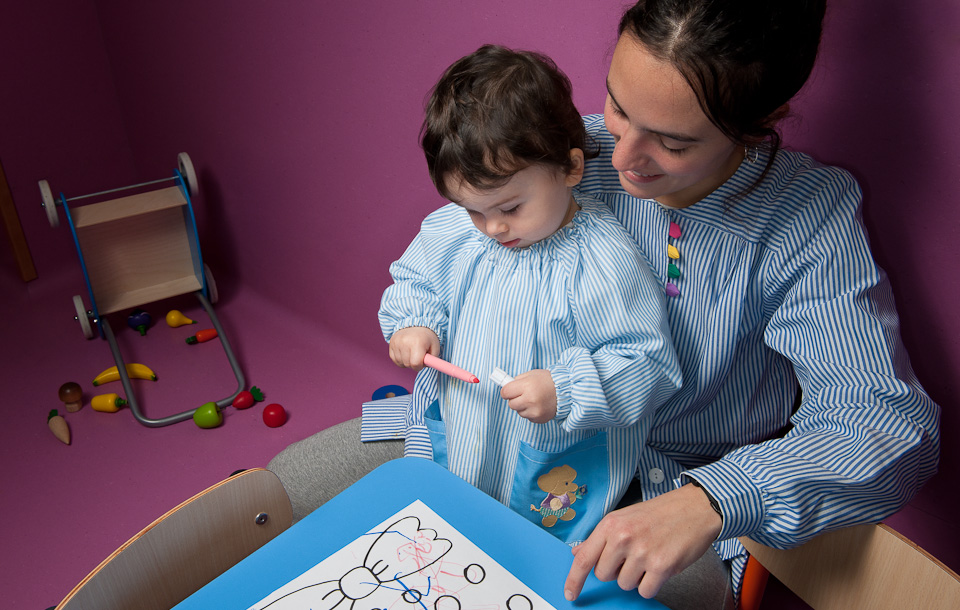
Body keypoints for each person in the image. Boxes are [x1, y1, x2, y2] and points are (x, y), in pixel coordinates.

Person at [270, 2, 941, 609]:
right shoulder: (560, 149)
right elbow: (451, 247)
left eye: (672, 143)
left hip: (655, 492)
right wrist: (419, 318)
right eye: (617, 107)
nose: (617, 158)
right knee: (277, 498)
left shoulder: (805, 218)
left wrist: (714, 498)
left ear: (758, 124)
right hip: (477, 439)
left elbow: (883, 425)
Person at [379, 44, 681, 546]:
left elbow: (647, 363)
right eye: (474, 209)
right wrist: (414, 322)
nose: (492, 227)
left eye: (511, 206)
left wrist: (567, 388)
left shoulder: (602, 260)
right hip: (464, 428)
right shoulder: (457, 229)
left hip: (551, 450)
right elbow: (417, 280)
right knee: (450, 531)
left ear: (571, 169)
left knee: (527, 551)